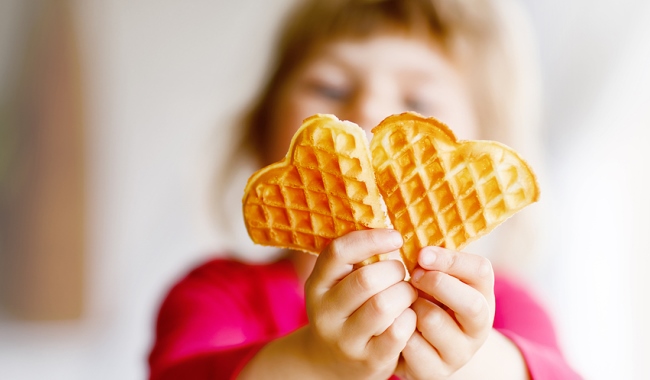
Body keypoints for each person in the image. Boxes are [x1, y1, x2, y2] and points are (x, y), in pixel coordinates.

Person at [148, 0, 581, 379]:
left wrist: (471, 363)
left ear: (479, 151)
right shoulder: (219, 295)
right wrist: (316, 363)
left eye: (418, 102)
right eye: (330, 88)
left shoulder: (507, 310)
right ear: (263, 130)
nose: (369, 110)